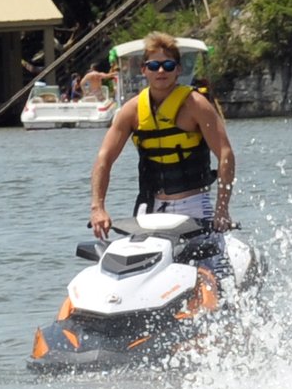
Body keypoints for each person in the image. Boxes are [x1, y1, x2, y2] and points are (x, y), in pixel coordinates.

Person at [89, 31, 235, 265]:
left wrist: (222, 209)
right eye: (154, 65)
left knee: (210, 275)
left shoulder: (196, 105)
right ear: (143, 69)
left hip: (195, 206)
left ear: (178, 69)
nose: (161, 72)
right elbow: (104, 158)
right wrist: (98, 208)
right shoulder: (132, 110)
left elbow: (226, 154)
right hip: (152, 208)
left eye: (168, 65)